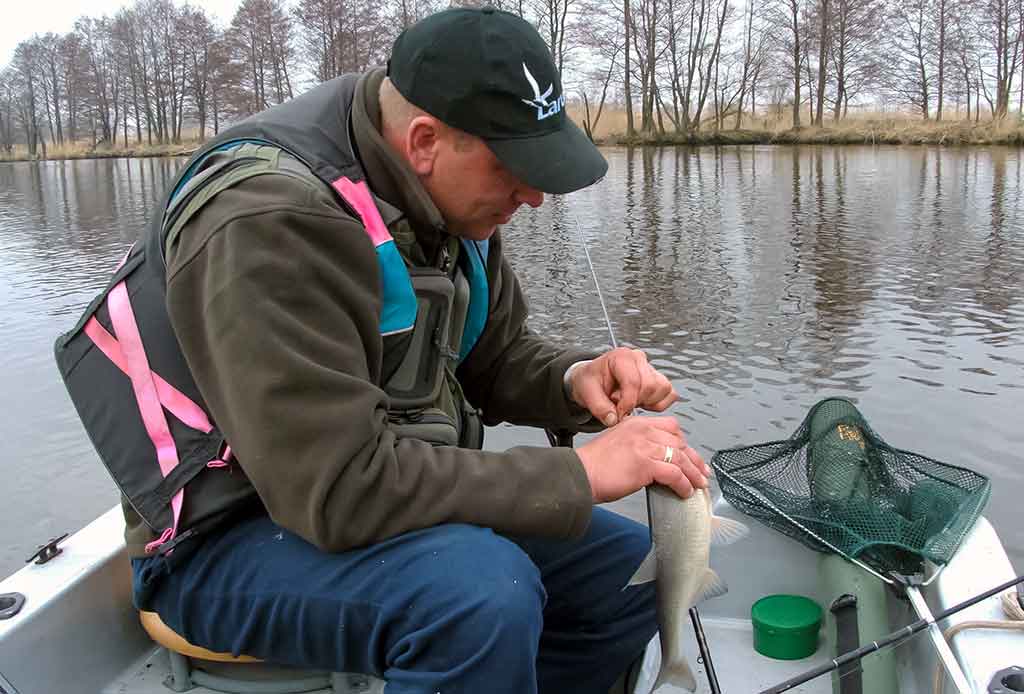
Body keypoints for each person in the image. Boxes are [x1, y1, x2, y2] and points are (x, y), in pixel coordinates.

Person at [54, 7, 708, 694]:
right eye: (514, 167)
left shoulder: (451, 195)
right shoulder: (267, 219)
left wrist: (575, 381)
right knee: (479, 601)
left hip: (370, 495)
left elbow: (493, 356)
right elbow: (339, 491)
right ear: (425, 140)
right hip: (222, 543)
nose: (535, 195)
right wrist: (578, 478)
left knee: (630, 576)